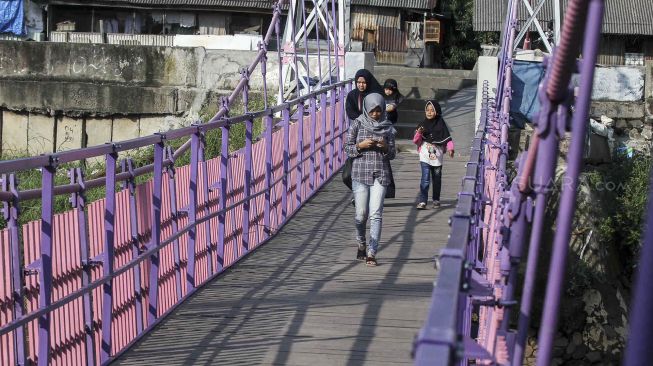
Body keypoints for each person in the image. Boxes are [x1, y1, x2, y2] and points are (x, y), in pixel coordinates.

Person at [345, 93, 396, 266]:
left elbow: (393, 154)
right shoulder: (357, 124)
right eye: (372, 110)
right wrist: (360, 146)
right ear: (367, 108)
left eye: (378, 110)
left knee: (376, 214)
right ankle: (361, 242)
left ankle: (372, 252)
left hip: (380, 174)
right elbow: (347, 148)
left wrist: (385, 146)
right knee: (361, 215)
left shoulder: (388, 127)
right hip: (360, 173)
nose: (375, 114)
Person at [413, 100, 454, 210]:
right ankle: (422, 201)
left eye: (432, 110)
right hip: (425, 155)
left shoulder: (441, 124)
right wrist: (419, 133)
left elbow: (448, 138)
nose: (429, 112)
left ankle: (436, 199)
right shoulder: (422, 124)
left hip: (437, 156)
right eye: (427, 110)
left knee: (436, 178)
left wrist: (451, 148)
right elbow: (416, 140)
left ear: (437, 111)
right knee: (425, 178)